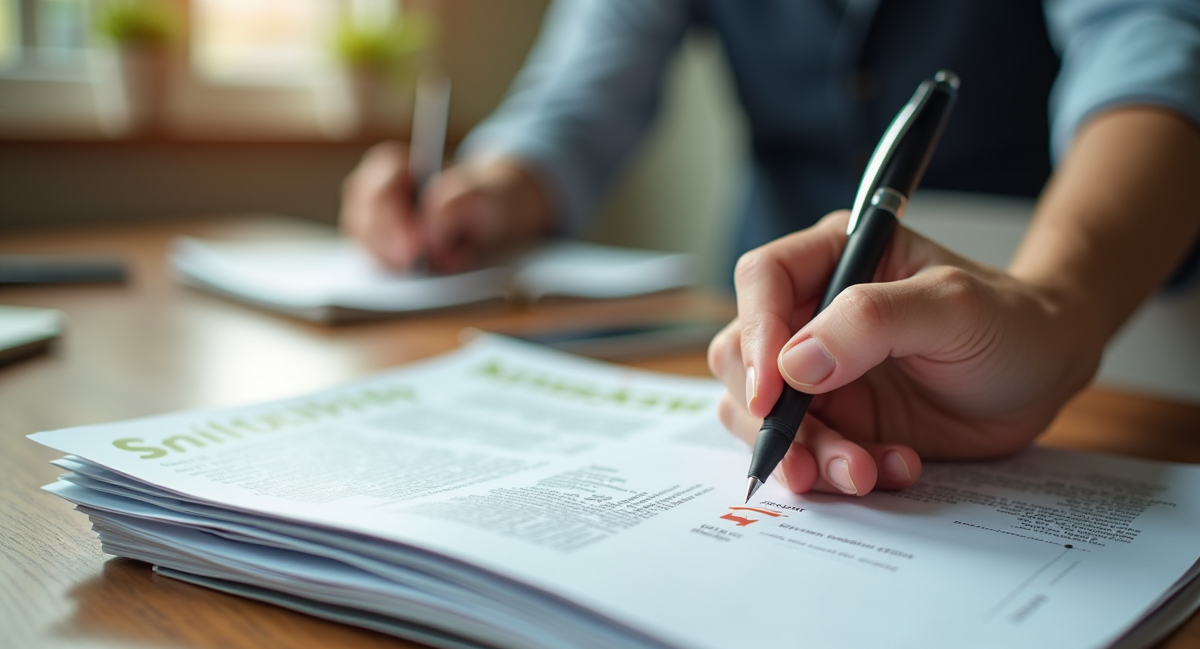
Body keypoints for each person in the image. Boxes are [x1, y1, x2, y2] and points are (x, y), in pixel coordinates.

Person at [341, 0, 1200, 495]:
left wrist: (1054, 306)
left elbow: (1152, 53)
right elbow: (583, 87)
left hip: (1101, 330)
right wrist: (487, 189)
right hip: (776, 320)